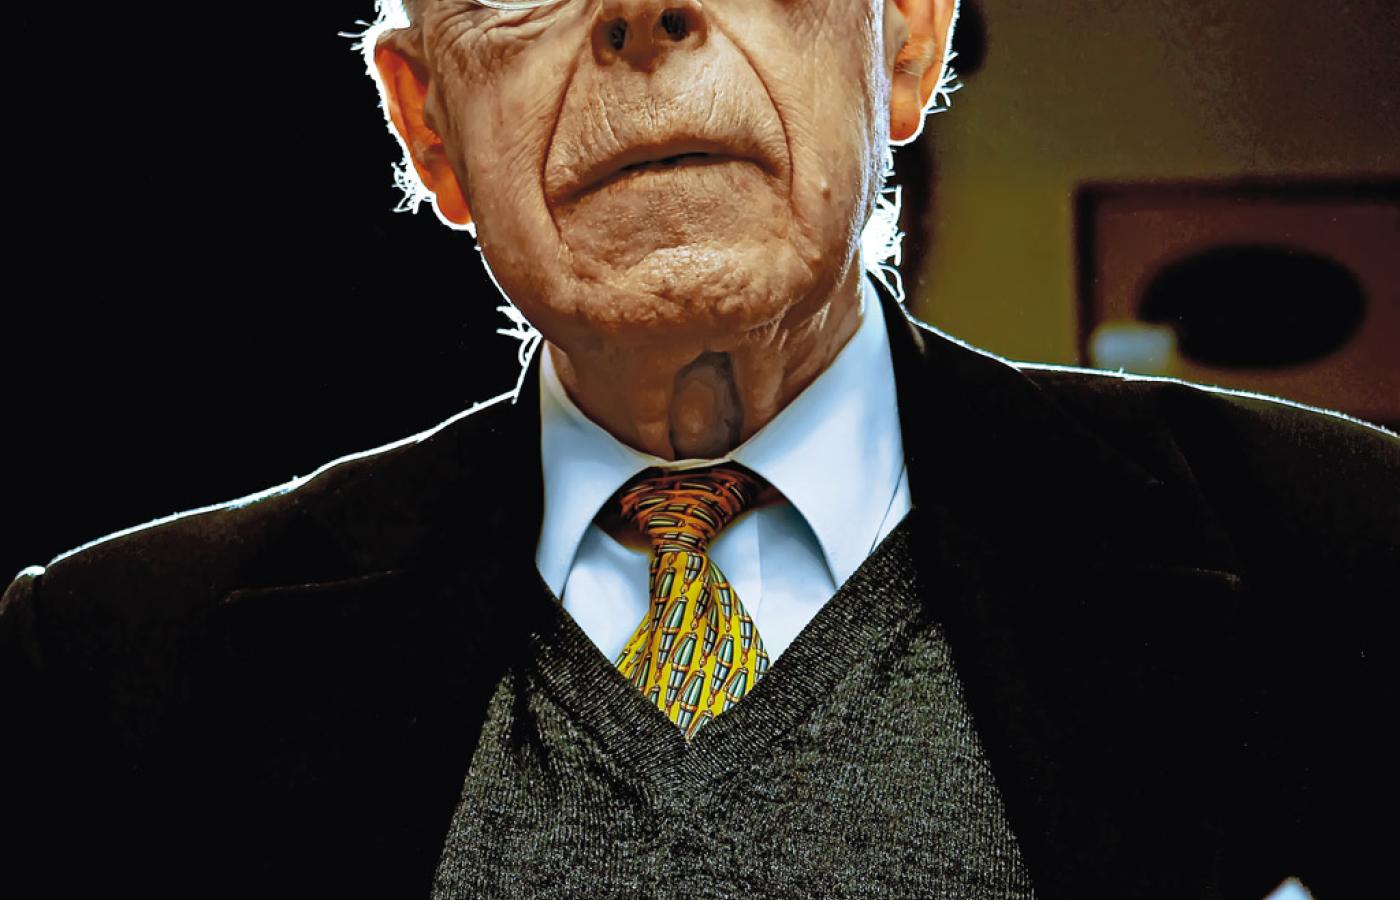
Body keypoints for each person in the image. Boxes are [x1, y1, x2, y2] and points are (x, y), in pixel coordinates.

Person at [2, 0, 1395, 897]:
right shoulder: (114, 669)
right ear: (426, 120)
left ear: (908, 37)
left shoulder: (1353, 566)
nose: (643, 9)